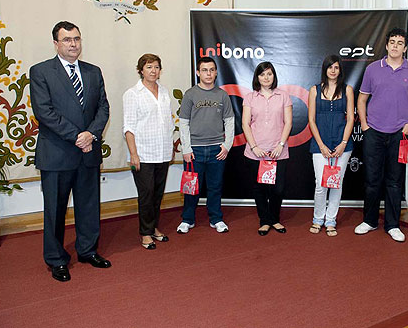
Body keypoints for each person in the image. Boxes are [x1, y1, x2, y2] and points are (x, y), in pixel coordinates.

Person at [30, 21, 111, 282]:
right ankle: (56, 259)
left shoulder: (93, 71)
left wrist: (91, 134)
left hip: (88, 152)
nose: (73, 44)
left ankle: (87, 250)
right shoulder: (41, 72)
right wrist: (77, 136)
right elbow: (44, 113)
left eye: (76, 39)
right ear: (56, 43)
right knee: (55, 210)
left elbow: (103, 108)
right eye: (67, 40)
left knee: (89, 207)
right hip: (57, 153)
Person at [354, 28, 408, 242]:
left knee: (395, 181)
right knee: (372, 180)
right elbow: (361, 99)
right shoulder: (373, 69)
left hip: (400, 134)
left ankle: (393, 225)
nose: (395, 46)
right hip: (374, 132)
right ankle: (369, 221)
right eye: (392, 42)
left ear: (405, 47)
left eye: (400, 42)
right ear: (386, 45)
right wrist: (365, 126)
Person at [177, 56, 234, 234]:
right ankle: (187, 219)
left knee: (215, 186)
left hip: (217, 149)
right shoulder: (190, 94)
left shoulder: (222, 95)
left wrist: (227, 145)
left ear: (216, 73)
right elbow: (183, 122)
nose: (208, 73)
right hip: (194, 151)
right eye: (204, 70)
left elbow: (230, 121)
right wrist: (186, 149)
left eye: (211, 70)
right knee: (191, 187)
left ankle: (216, 218)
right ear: (198, 73)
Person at [123, 54, 174, 250]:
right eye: (149, 67)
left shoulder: (164, 92)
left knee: (157, 194)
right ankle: (145, 233)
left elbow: (168, 124)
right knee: (146, 193)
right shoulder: (132, 94)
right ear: (141, 70)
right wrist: (133, 154)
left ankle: (153, 228)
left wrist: (170, 148)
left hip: (162, 151)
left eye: (157, 67)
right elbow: (128, 127)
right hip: (143, 153)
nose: (153, 70)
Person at [242, 62, 293, 236]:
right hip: (256, 152)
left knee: (278, 188)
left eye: (269, 74)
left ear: (274, 76)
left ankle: (275, 219)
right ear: (257, 77)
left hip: (278, 151)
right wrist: (254, 147)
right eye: (263, 74)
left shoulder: (283, 96)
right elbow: (245, 124)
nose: (266, 78)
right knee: (260, 188)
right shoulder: (250, 97)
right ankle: (264, 221)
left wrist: (280, 144)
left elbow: (288, 123)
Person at [308, 55, 355, 237]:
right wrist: (321, 145)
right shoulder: (314, 90)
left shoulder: (348, 90)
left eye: (336, 67)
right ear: (325, 69)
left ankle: (331, 220)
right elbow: (311, 119)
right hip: (320, 144)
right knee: (321, 184)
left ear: (340, 70)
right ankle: (318, 219)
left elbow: (351, 118)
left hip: (342, 144)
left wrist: (343, 143)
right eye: (330, 67)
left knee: (336, 184)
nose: (333, 70)